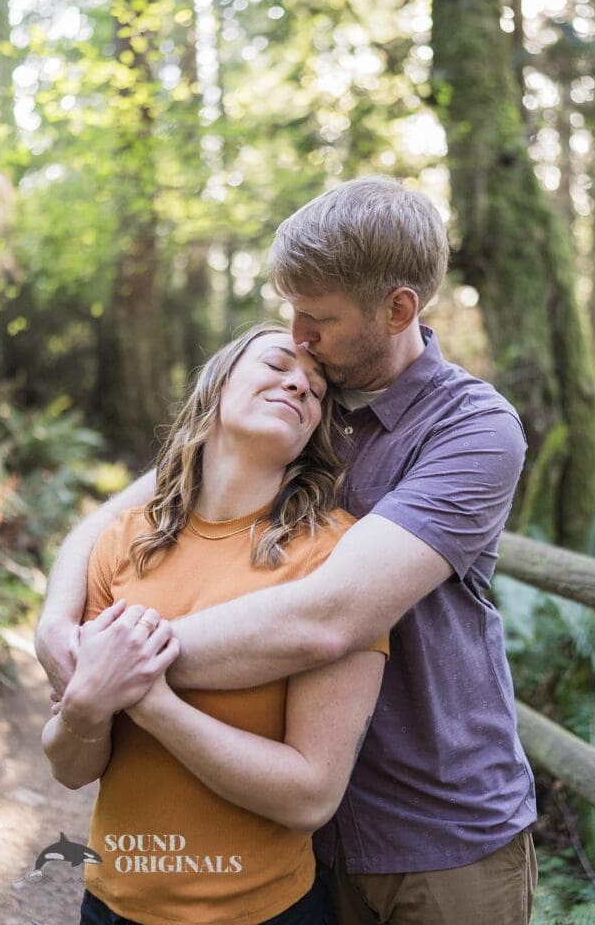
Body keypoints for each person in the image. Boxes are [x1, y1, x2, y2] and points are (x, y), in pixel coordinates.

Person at [37, 176, 538, 925]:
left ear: (398, 309)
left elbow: (325, 618)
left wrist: (122, 665)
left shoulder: (470, 430)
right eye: (290, 318)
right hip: (298, 843)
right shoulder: (310, 400)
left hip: (435, 828)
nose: (298, 338)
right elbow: (140, 502)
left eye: (318, 318)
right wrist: (57, 615)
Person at [41, 324, 388, 925]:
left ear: (313, 431)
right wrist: (85, 707)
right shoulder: (125, 541)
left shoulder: (334, 559)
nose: (300, 385)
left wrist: (150, 700)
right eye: (278, 364)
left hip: (261, 913)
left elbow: (311, 794)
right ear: (218, 386)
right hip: (111, 905)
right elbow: (70, 768)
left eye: (315, 390)